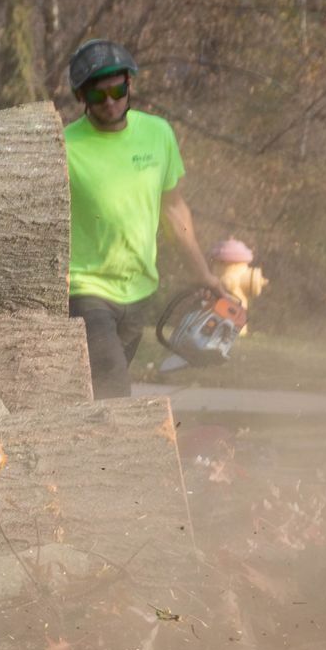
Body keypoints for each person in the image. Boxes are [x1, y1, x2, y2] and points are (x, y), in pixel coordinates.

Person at [63, 39, 234, 399]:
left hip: (139, 291)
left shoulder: (158, 135)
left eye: (117, 90)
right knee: (113, 390)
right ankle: (125, 455)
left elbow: (174, 210)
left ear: (130, 84)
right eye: (98, 96)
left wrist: (202, 272)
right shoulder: (64, 146)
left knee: (96, 395)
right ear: (82, 97)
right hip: (85, 289)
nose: (110, 102)